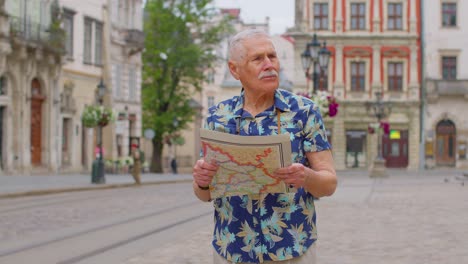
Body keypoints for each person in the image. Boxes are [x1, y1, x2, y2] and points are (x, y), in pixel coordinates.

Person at [192, 29, 337, 263]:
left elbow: (328, 184)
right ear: (234, 69)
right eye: (258, 59)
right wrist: (201, 180)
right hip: (232, 250)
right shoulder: (217, 117)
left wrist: (306, 176)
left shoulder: (303, 111)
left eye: (272, 56)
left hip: (291, 249)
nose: (269, 64)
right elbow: (204, 194)